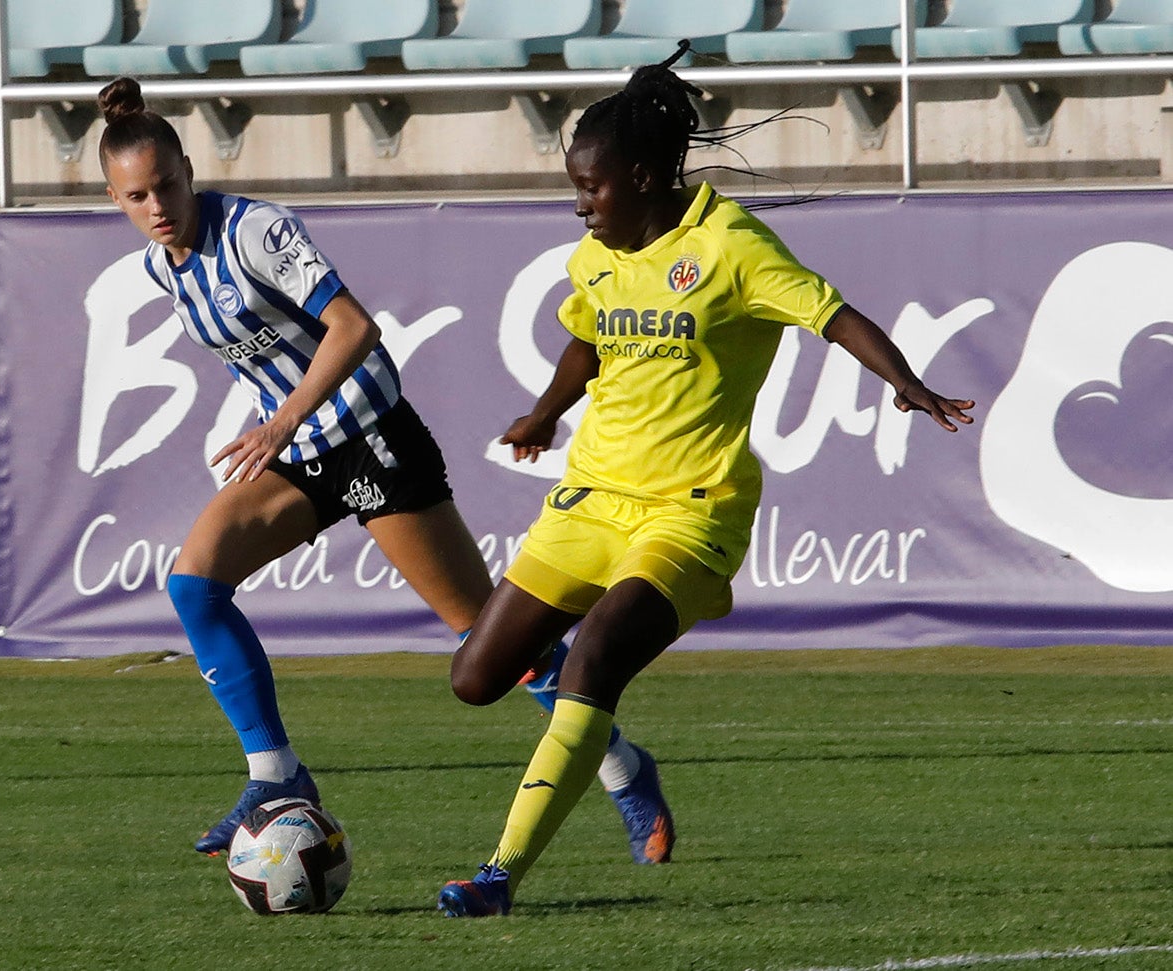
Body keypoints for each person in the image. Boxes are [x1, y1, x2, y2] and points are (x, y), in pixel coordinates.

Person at [436, 48, 976, 917]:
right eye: (575, 187)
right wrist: (544, 413)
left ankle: (499, 873)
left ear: (644, 177)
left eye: (592, 189)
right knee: (474, 677)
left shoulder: (731, 246)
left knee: (598, 653)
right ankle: (620, 757)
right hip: (590, 498)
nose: (579, 205)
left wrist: (905, 383)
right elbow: (589, 338)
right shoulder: (597, 255)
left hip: (692, 512)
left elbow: (832, 314)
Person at [95, 77, 673, 860]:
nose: (156, 205)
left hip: (371, 440)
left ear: (191, 169)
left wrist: (284, 418)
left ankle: (621, 764)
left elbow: (354, 327)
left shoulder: (256, 233)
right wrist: (286, 428)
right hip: (299, 457)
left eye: (166, 184)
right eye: (135, 196)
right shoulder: (167, 267)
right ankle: (277, 775)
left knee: (487, 640)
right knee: (193, 582)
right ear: (115, 198)